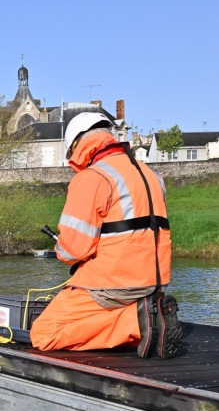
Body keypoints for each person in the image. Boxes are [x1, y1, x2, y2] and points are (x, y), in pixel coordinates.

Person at [29, 112, 184, 358]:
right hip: (154, 283)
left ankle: (137, 321)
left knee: (45, 334)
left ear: (77, 144)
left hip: (111, 285)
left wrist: (63, 251)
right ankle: (148, 316)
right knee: (99, 325)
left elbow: (73, 250)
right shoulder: (152, 176)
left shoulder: (93, 177)